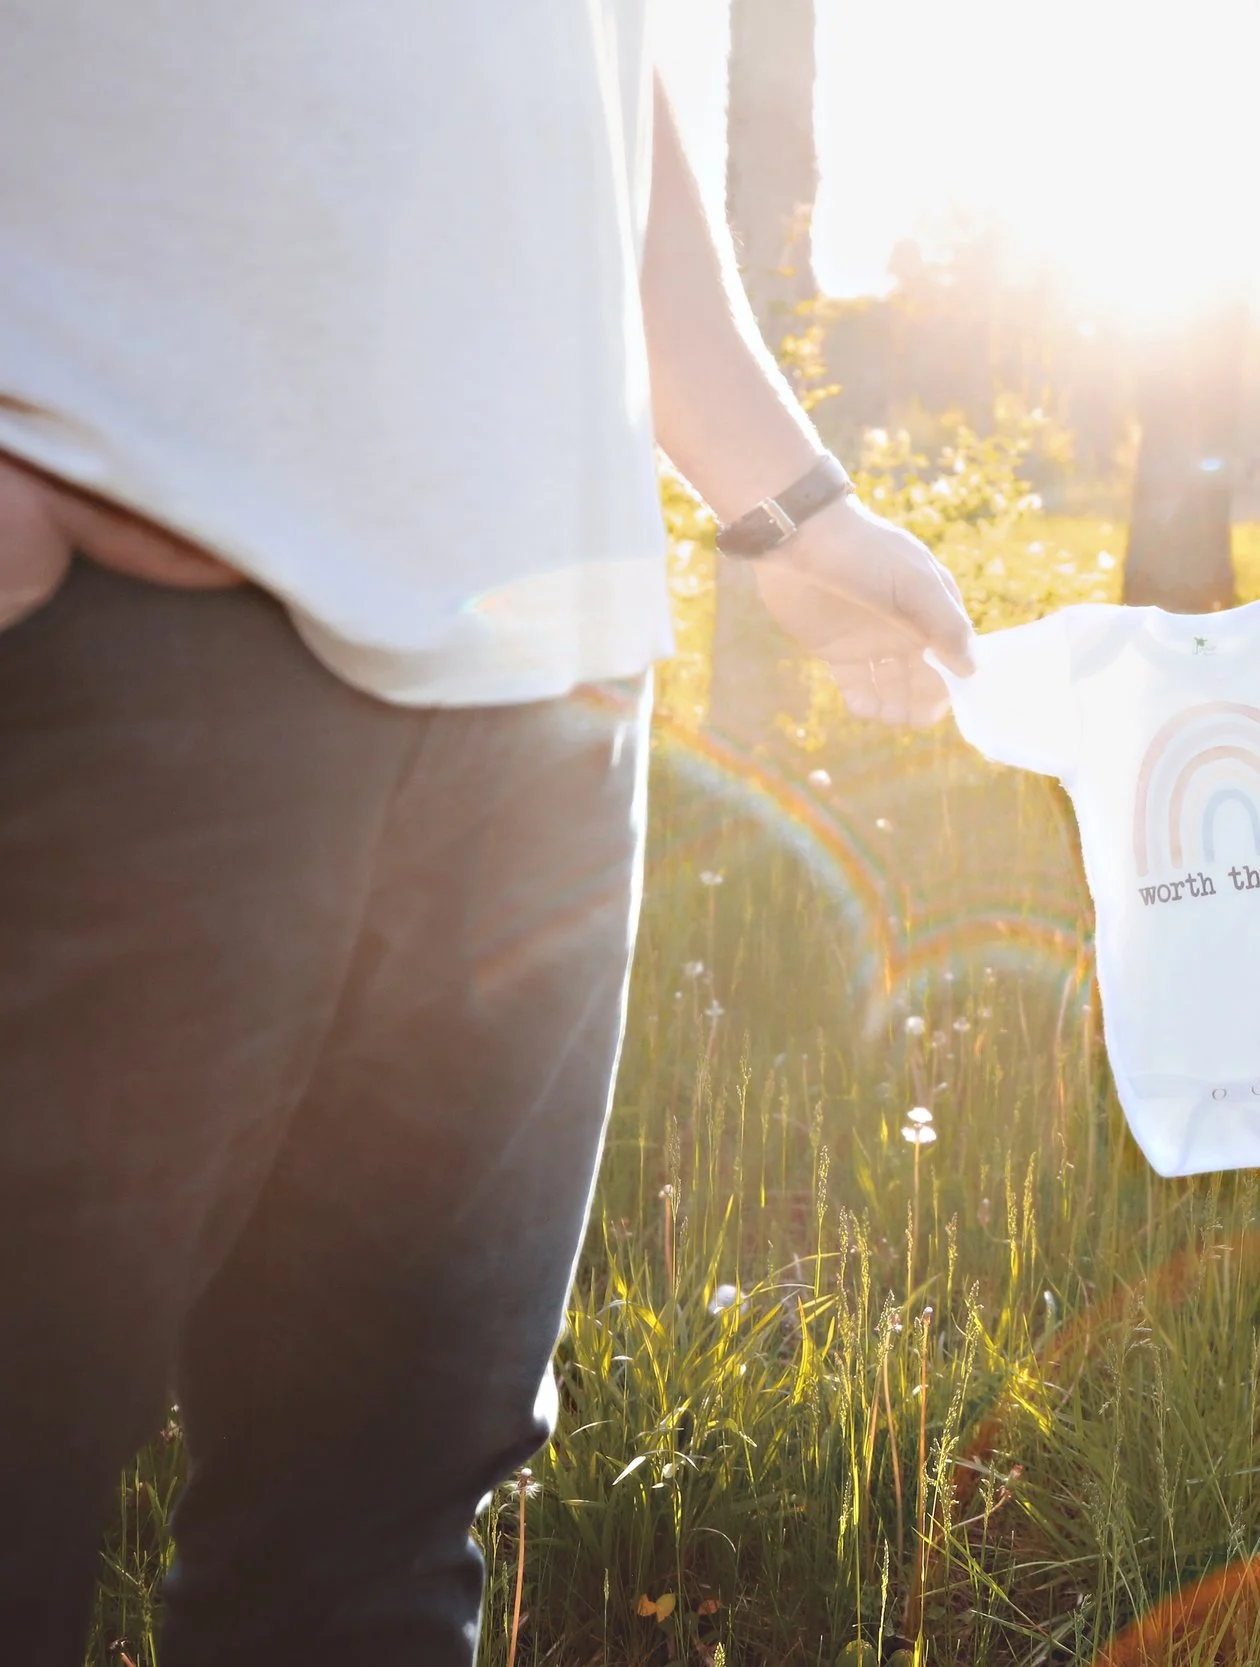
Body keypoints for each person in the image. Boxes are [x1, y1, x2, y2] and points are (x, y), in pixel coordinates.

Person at [0, 7, 972, 1663]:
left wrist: (789, 503)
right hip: (112, 604)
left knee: (369, 1550)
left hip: (547, 674)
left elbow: (601, 59)